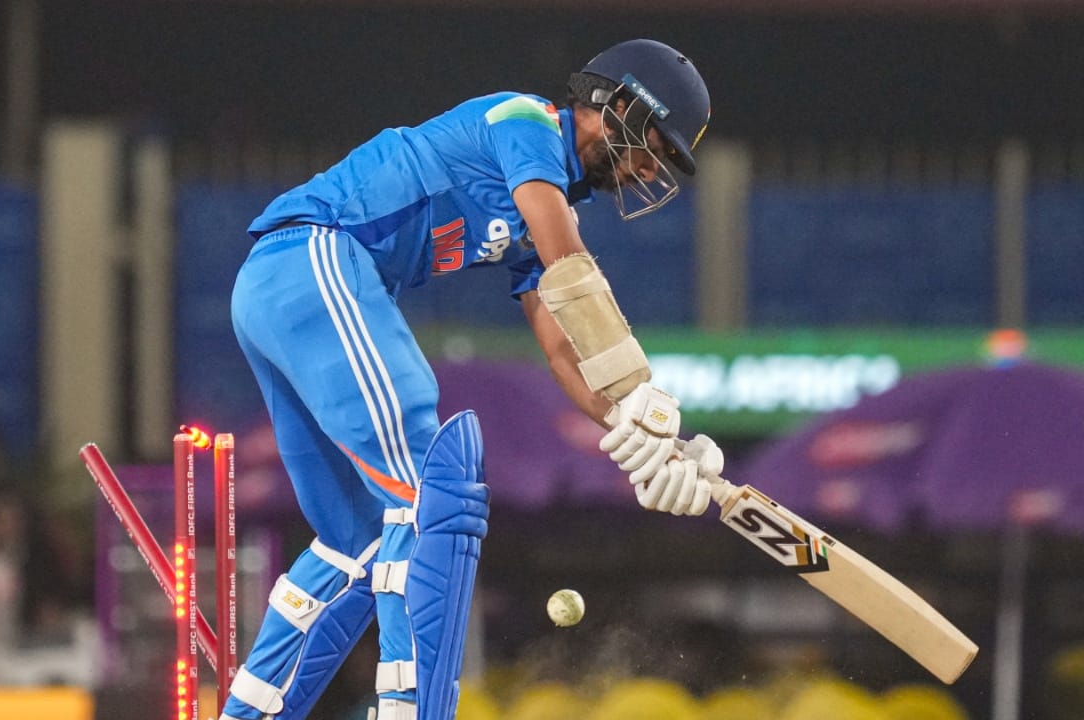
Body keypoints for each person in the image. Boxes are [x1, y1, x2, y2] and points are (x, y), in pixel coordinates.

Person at [224, 38, 726, 720]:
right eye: (653, 147)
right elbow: (569, 267)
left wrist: (646, 440)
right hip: (313, 259)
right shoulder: (525, 123)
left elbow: (563, 348)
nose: (647, 169)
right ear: (617, 106)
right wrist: (639, 389)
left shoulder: (546, 202)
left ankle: (250, 712)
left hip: (284, 290)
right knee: (431, 490)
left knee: (359, 538)